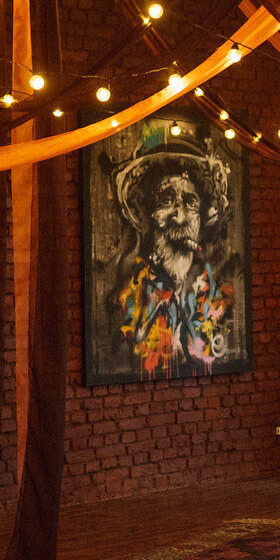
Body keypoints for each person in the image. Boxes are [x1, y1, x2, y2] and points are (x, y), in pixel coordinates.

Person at [108, 131, 238, 377]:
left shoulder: (209, 293)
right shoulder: (129, 294)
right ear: (147, 212)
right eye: (166, 201)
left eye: (190, 203)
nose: (178, 217)